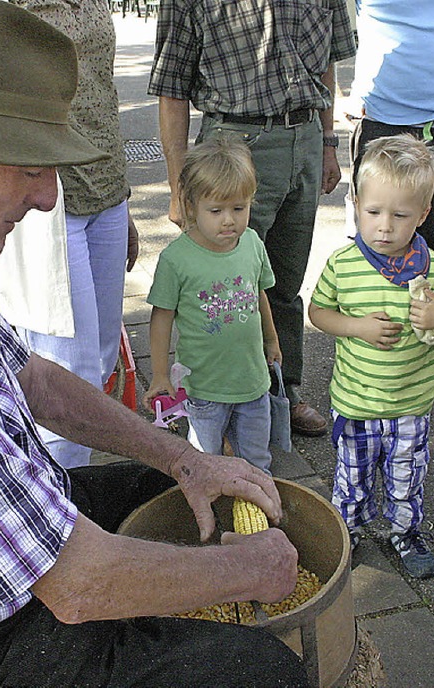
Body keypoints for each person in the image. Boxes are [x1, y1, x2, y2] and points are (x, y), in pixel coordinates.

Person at [0, 1, 308, 686]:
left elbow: (32, 381)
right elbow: (74, 585)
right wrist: (247, 571)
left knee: (165, 488)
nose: (49, 199)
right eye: (28, 169)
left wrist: (181, 458)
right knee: (263, 672)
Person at [148, 0, 356, 438]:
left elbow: (325, 67)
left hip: (305, 137)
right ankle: (204, 400)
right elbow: (172, 87)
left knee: (281, 282)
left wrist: (328, 141)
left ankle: (281, 390)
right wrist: (178, 188)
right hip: (233, 145)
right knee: (215, 286)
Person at [0, 0, 139, 469]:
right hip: (47, 199)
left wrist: (124, 202)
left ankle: (67, 487)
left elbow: (103, 91)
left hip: (106, 188)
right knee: (67, 366)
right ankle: (62, 506)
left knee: (104, 355)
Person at [309, 134, 434, 579]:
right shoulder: (344, 263)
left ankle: (405, 532)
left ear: (424, 214)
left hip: (410, 404)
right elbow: (318, 311)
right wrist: (357, 327)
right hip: (356, 403)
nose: (385, 226)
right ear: (355, 203)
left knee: (406, 478)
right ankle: (347, 529)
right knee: (351, 478)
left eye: (400, 215)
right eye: (373, 212)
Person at [143, 139, 280, 475]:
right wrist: (160, 373)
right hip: (203, 388)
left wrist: (272, 339)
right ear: (191, 205)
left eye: (239, 208)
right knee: (204, 463)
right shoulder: (176, 259)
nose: (229, 221)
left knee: (257, 461)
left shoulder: (252, 244)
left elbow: (260, 293)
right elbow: (161, 318)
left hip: (252, 383)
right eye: (216, 211)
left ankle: (258, 522)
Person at [345, 0, 434, 393]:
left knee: (429, 247)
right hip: (383, 118)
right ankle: (364, 344)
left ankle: (423, 350)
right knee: (375, 242)